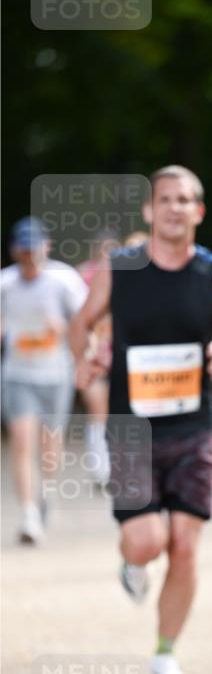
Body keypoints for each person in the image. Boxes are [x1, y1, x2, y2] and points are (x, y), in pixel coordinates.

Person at [71, 166, 212, 674]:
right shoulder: (120, 269)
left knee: (184, 545)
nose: (175, 208)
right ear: (149, 210)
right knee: (147, 542)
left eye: (185, 200)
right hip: (130, 431)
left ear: (198, 211)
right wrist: (84, 357)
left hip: (193, 430)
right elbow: (82, 323)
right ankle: (131, 563)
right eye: (165, 199)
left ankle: (165, 656)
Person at [1, 217, 88, 543]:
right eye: (24, 252)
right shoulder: (5, 283)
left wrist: (64, 329)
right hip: (18, 374)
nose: (29, 258)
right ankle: (28, 515)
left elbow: (85, 319)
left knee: (51, 443)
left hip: (55, 374)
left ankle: (46, 492)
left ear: (46, 248)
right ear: (15, 252)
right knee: (22, 441)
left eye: (34, 251)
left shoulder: (63, 280)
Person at [77, 229, 119, 487]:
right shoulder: (84, 275)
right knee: (97, 408)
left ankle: (115, 464)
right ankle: (99, 467)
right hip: (94, 353)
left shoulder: (126, 275)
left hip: (118, 351)